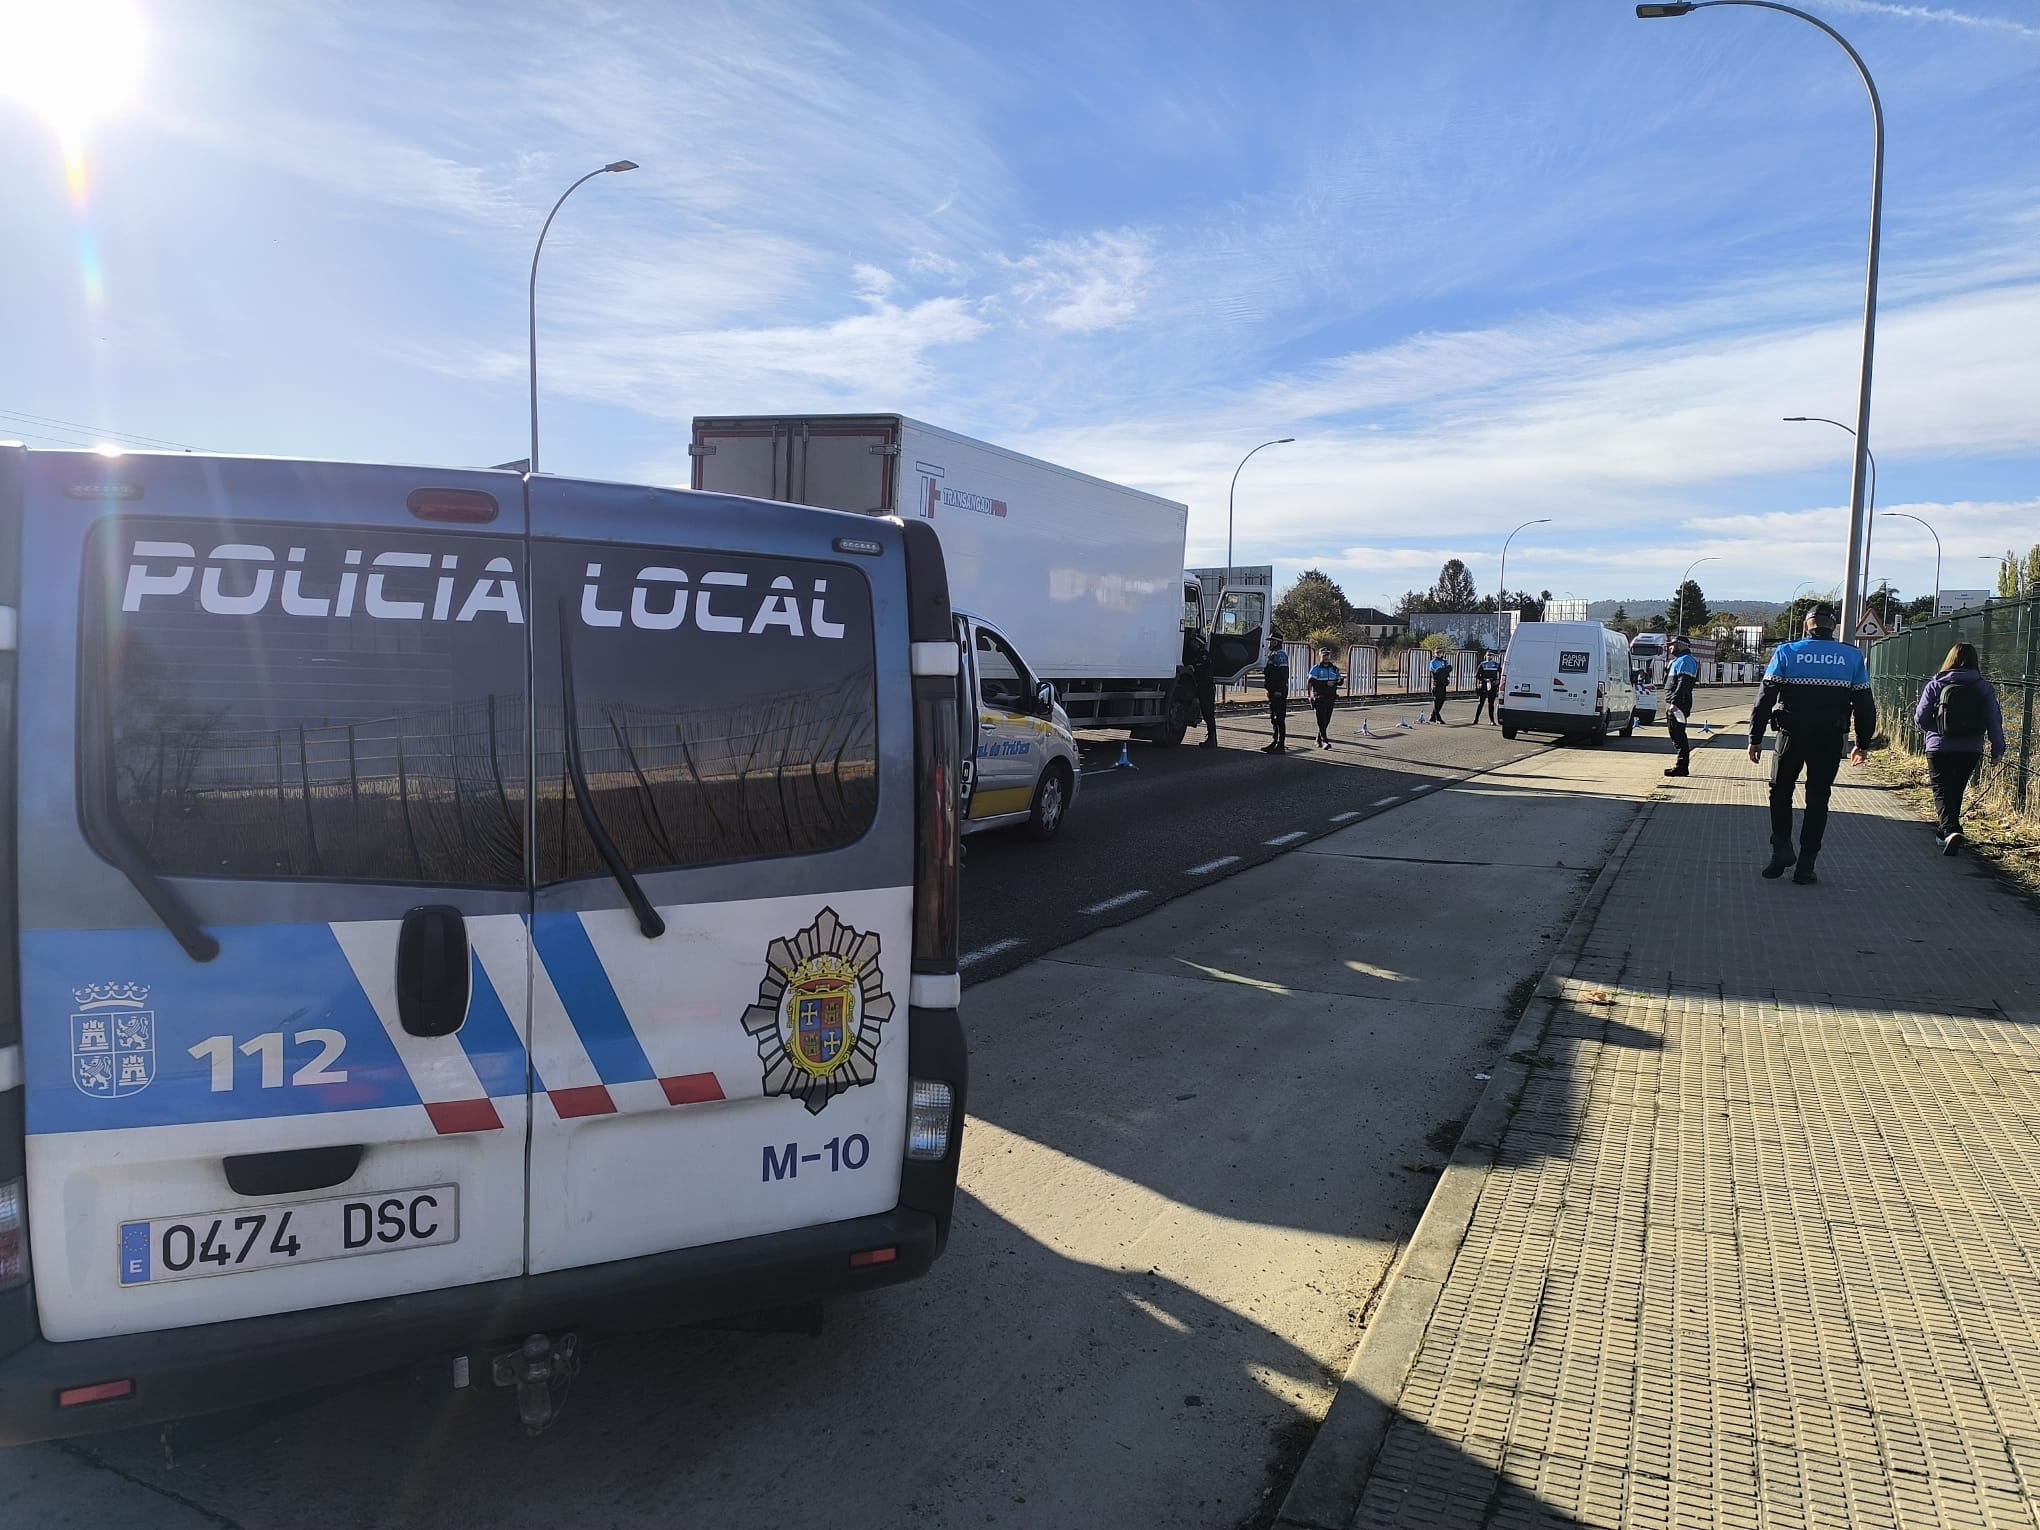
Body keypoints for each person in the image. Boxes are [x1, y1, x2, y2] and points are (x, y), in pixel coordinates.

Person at [1746, 603, 1876, 885]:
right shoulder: (1852, 657)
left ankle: (1781, 848)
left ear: (1807, 625)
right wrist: (1862, 743)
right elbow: (1865, 705)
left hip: (1791, 734)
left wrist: (1755, 737)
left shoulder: (1787, 652)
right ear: (1834, 627)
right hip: (1830, 738)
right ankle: (1806, 865)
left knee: (1780, 790)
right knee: (1818, 797)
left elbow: (1765, 697)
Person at [1913, 642, 2006, 855]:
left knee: (1942, 790)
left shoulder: (1936, 684)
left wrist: (1934, 731)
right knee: (1956, 789)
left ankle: (1950, 830)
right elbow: (1994, 720)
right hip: (1970, 748)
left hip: (1939, 746)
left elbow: (1920, 718)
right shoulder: (1983, 688)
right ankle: (1946, 832)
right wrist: (1997, 748)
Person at [1662, 636, 1700, 776]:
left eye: (1672, 645)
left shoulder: (1686, 661)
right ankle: (1681, 764)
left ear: (1681, 645)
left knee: (1678, 734)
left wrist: (1675, 703)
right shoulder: (1678, 661)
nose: (1670, 647)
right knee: (1675, 733)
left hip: (1679, 704)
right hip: (1674, 703)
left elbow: (1683, 684)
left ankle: (1682, 766)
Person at [1183, 626, 1219, 748]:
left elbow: (1203, 669)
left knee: (1208, 713)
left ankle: (1212, 738)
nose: (1192, 644)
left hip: (1206, 688)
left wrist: (1194, 668)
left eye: (1194, 642)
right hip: (1200, 687)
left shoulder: (1204, 655)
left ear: (1199, 644)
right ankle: (1211, 738)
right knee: (1204, 712)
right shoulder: (1194, 654)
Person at [1307, 648, 1342, 749]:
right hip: (1320, 697)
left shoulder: (1334, 668)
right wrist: (1325, 684)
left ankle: (1319, 738)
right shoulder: (1316, 668)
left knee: (1327, 720)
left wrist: (1338, 681)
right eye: (1324, 656)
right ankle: (1325, 741)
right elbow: (1312, 681)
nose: (1326, 658)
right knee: (1321, 719)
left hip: (1330, 697)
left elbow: (1339, 680)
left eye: (1327, 655)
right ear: (1320, 656)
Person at [1261, 631, 1290, 753]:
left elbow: (1283, 675)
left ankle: (1281, 744)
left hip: (1278, 691)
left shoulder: (1280, 655)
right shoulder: (1273, 654)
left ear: (1277, 642)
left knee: (1279, 718)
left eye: (1271, 641)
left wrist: (1278, 690)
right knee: (1274, 718)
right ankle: (1275, 741)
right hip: (1273, 691)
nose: (1269, 643)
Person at [1473, 650, 1502, 724]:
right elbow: (1477, 675)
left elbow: (1501, 674)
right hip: (1484, 685)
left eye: (1491, 655)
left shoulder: (1496, 665)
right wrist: (1483, 679)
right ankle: (1476, 719)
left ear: (1493, 656)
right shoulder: (1482, 664)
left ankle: (1492, 720)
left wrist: (1498, 681)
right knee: (1481, 703)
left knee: (1491, 703)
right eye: (1488, 655)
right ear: (1485, 656)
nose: (1489, 656)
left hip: (1493, 685)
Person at [1428, 651, 1452, 723]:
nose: (1439, 654)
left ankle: (1433, 716)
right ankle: (1437, 717)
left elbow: (1449, 668)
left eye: (1440, 652)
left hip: (1443, 682)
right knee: (1437, 699)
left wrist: (1443, 670)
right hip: (1437, 683)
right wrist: (1443, 670)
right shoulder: (1433, 662)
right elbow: (1437, 671)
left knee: (1442, 699)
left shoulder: (1444, 661)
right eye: (1437, 652)